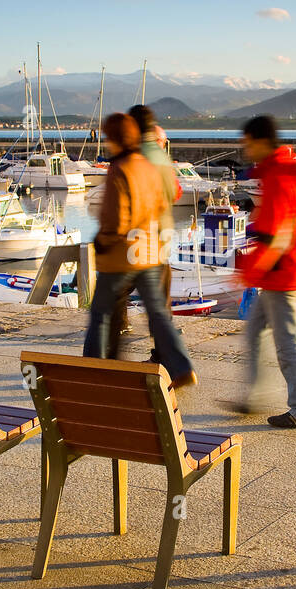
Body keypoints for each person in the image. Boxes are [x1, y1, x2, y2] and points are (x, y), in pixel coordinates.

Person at [83, 113, 197, 388]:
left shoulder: (120, 169)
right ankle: (181, 368)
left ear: (114, 139)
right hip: (149, 250)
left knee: (101, 314)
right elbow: (161, 202)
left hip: (121, 254)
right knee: (157, 312)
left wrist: (102, 240)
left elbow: (115, 216)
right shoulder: (146, 165)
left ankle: (92, 372)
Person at [232, 115, 296, 428]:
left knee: (288, 342)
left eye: (247, 143)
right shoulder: (282, 171)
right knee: (256, 331)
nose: (245, 150)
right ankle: (255, 396)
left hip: (282, 273)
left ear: (259, 141)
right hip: (282, 270)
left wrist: (250, 272)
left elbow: (277, 235)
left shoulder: (280, 177)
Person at [108, 105, 181, 359]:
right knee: (158, 301)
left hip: (137, 239)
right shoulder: (161, 157)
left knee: (114, 295)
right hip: (160, 235)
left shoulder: (137, 156)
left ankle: (111, 355)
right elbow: (174, 192)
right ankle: (168, 357)